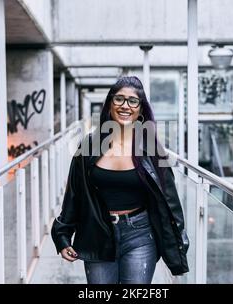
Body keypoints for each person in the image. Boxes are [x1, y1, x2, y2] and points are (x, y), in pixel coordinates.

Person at [51, 76, 189, 284]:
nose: (125, 106)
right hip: (97, 233)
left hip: (140, 235)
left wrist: (177, 245)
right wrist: (62, 235)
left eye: (133, 101)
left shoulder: (152, 149)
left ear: (141, 110)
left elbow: (169, 199)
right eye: (119, 99)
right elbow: (75, 194)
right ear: (109, 104)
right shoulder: (89, 145)